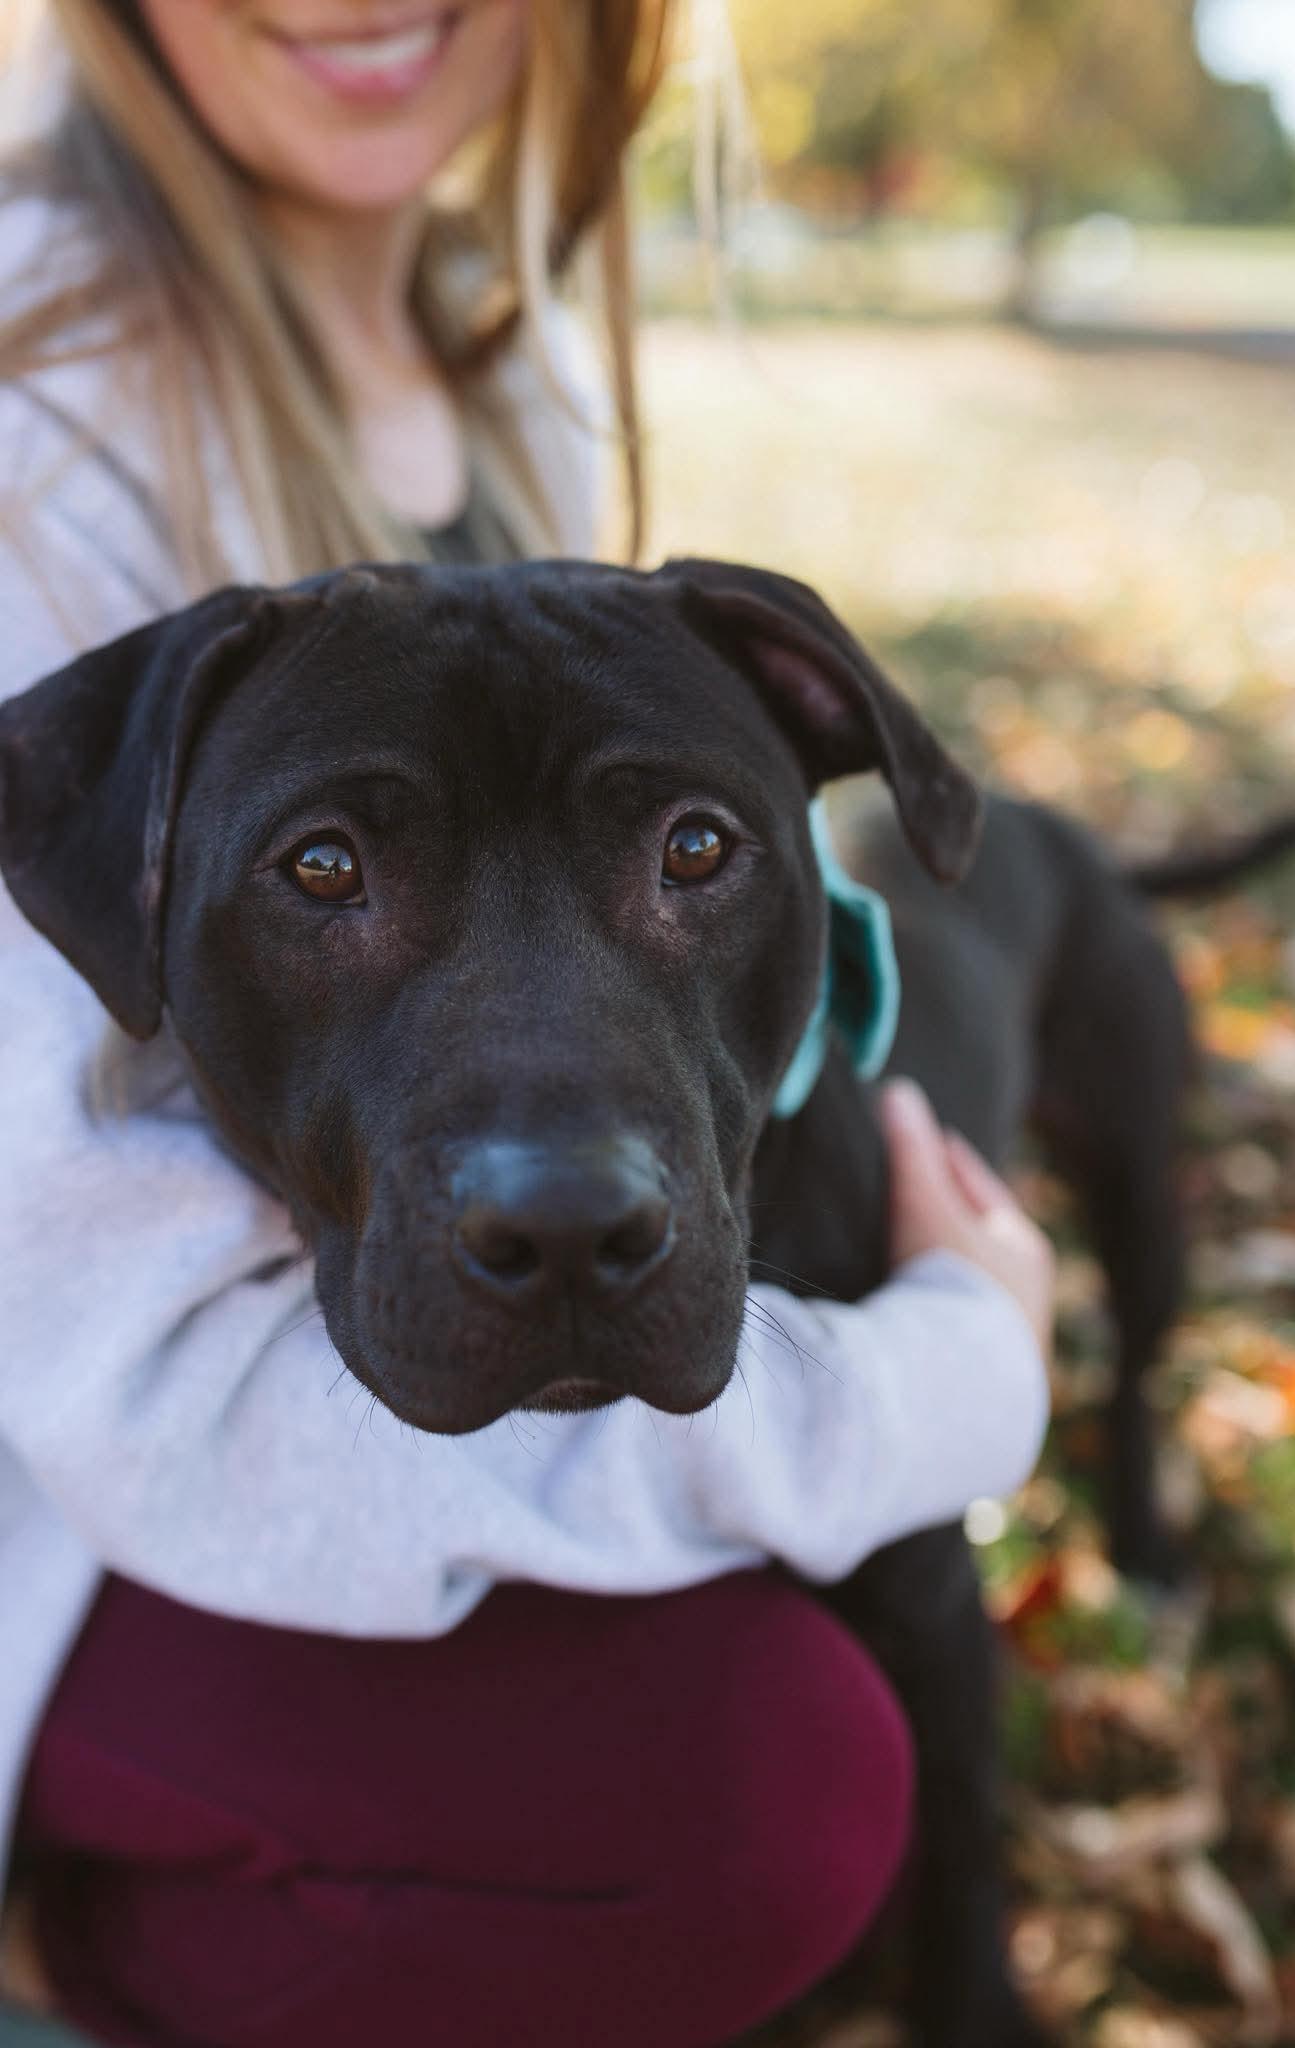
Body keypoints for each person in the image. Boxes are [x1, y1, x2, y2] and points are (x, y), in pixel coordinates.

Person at [0, 4, 1056, 2044]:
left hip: (291, 1450)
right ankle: (101, 1960)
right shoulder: (31, 421)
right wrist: (939, 1380)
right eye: (329, 874)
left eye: (681, 852)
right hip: (69, 1520)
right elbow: (144, 1406)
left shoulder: (507, 357)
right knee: (756, 1793)